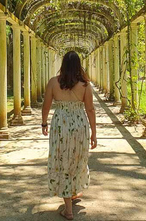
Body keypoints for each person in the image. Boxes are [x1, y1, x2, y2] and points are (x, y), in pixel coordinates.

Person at [41, 51, 97, 220]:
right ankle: (69, 209)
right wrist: (94, 133)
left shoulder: (53, 82)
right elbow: (90, 110)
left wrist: (44, 123)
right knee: (76, 157)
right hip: (80, 124)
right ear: (78, 65)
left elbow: (46, 106)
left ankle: (69, 200)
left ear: (63, 65)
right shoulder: (85, 85)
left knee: (62, 159)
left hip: (60, 125)